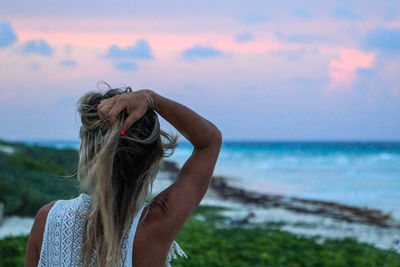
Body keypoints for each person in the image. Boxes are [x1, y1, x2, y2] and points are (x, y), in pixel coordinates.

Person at [25, 84, 222, 266]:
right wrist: (152, 98)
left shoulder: (48, 220)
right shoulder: (156, 224)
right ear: (152, 163)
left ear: (85, 152)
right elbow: (209, 142)